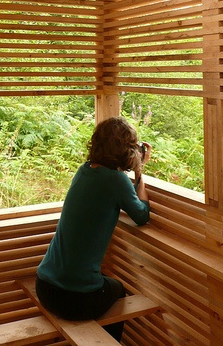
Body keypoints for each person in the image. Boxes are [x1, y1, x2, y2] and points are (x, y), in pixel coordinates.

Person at [36, 116, 151, 342]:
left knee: (101, 281)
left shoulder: (84, 170)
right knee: (117, 289)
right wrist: (140, 173)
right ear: (126, 149)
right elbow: (142, 215)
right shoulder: (117, 181)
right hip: (75, 300)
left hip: (45, 287)